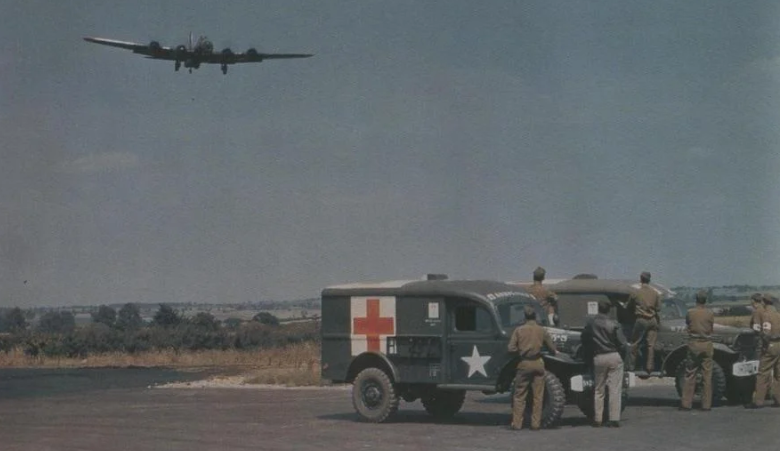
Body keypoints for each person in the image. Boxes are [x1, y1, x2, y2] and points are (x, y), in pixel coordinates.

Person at [508, 305, 558, 430]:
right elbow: (552, 349)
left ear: (525, 317)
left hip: (524, 363)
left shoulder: (519, 330)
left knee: (519, 394)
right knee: (538, 396)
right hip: (538, 363)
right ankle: (536, 424)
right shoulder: (542, 330)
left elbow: (511, 348)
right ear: (535, 316)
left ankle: (517, 423)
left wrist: (520, 350)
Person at [581, 299, 628, 427]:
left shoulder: (591, 323)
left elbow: (584, 338)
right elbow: (622, 343)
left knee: (598, 389)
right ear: (609, 310)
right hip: (613, 355)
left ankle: (598, 419)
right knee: (614, 389)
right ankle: (613, 419)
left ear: (598, 309)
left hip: (598, 357)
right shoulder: (614, 324)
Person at [680, 290, 715, 411]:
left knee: (690, 373)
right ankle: (706, 404)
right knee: (707, 375)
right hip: (707, 343)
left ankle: (686, 403)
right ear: (705, 300)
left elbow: (688, 325)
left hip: (694, 343)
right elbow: (711, 328)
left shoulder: (690, 312)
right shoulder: (710, 313)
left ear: (696, 299)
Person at [746, 295, 780, 408]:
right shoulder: (777, 314)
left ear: (764, 302)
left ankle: (758, 401)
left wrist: (764, 344)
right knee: (778, 373)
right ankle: (778, 399)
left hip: (770, 344)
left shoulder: (766, 315)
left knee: (763, 372)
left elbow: (764, 331)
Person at [627, 271, 661, 374]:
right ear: (649, 280)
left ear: (641, 279)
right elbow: (658, 308)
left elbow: (628, 306)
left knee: (634, 343)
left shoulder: (635, 293)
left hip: (641, 319)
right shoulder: (655, 293)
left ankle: (631, 366)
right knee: (651, 345)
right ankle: (649, 367)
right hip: (653, 320)